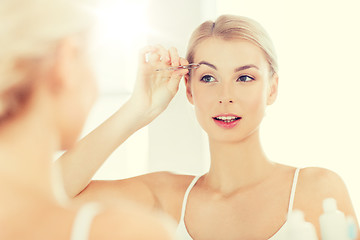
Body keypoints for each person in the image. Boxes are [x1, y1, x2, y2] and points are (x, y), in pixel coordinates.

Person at [56, 15, 360, 239]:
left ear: (272, 88)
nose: (225, 96)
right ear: (188, 90)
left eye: (244, 78)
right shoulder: (164, 197)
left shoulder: (317, 189)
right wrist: (138, 110)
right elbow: (43, 197)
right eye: (208, 78)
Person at [0, 0, 184, 239]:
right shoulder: (123, 232)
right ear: (66, 60)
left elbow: (54, 188)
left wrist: (138, 111)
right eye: (90, 61)